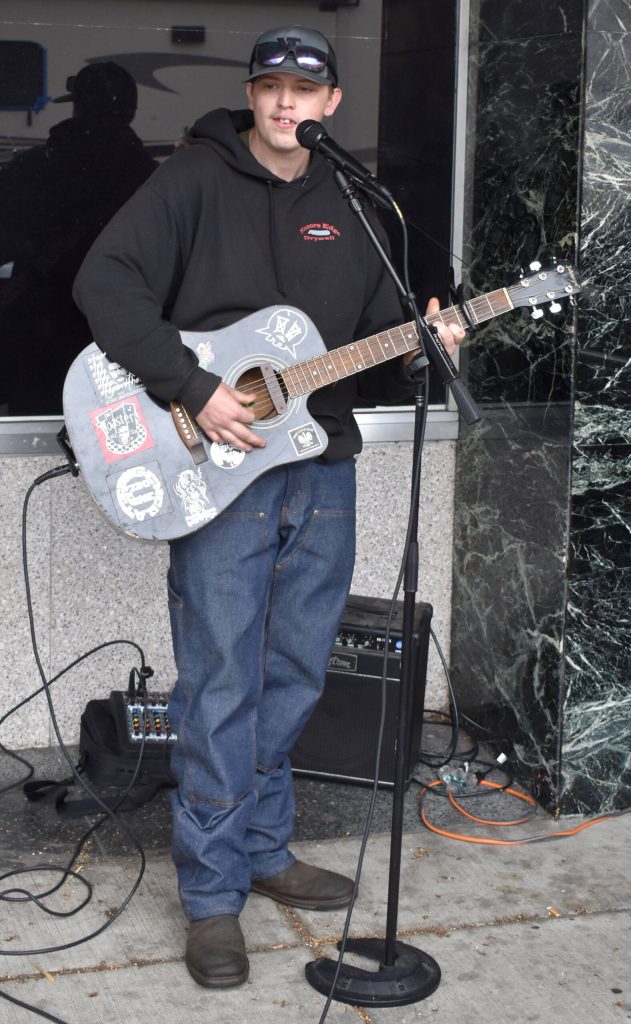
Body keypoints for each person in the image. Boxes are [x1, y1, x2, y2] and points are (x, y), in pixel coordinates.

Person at [73, 26, 464, 989]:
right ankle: (212, 897)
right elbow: (103, 283)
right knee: (219, 683)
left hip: (317, 464)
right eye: (271, 87)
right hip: (215, 469)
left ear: (332, 104)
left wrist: (428, 338)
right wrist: (192, 386)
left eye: (305, 90)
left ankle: (260, 845)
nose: (286, 104)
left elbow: (380, 329)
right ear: (253, 95)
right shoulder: (193, 181)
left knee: (293, 669)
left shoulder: (356, 204)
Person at [0, 61, 157, 415]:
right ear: (130, 112)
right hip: (120, 344)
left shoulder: (35, 168)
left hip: (39, 340)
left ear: (78, 106)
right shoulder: (154, 182)